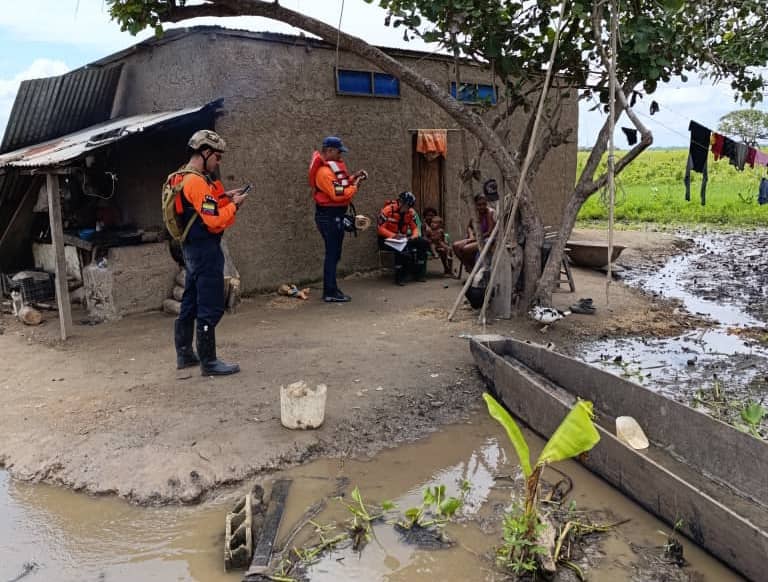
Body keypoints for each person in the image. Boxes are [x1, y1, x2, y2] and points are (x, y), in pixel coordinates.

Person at [172, 129, 248, 376]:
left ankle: (185, 354)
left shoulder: (182, 177)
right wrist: (234, 206)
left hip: (192, 248)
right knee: (210, 305)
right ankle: (209, 362)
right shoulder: (196, 181)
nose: (219, 161)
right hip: (205, 250)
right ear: (205, 152)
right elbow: (214, 221)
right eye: (217, 155)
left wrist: (225, 197)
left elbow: (202, 209)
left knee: (191, 301)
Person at [309, 136, 367, 302]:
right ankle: (330, 292)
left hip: (334, 216)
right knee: (332, 254)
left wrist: (353, 177)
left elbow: (340, 185)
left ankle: (332, 289)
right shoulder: (324, 172)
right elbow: (338, 193)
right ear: (329, 151)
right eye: (339, 151)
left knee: (334, 254)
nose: (341, 155)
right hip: (329, 217)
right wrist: (355, 187)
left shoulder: (330, 170)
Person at [377, 191, 431, 285]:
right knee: (401, 250)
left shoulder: (410, 213)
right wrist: (394, 236)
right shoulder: (387, 211)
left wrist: (413, 237)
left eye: (409, 206)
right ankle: (400, 277)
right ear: (400, 202)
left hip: (403, 238)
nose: (407, 208)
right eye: (406, 206)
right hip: (387, 239)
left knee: (423, 243)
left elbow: (415, 228)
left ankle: (419, 273)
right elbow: (380, 229)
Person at [452, 193, 497, 273]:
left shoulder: (489, 213)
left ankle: (473, 270)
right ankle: (469, 268)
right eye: (479, 205)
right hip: (476, 238)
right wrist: (471, 235)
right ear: (475, 205)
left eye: (484, 204)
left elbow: (490, 232)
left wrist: (471, 240)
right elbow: (469, 226)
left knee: (465, 249)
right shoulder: (476, 213)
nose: (482, 207)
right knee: (455, 246)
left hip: (487, 239)